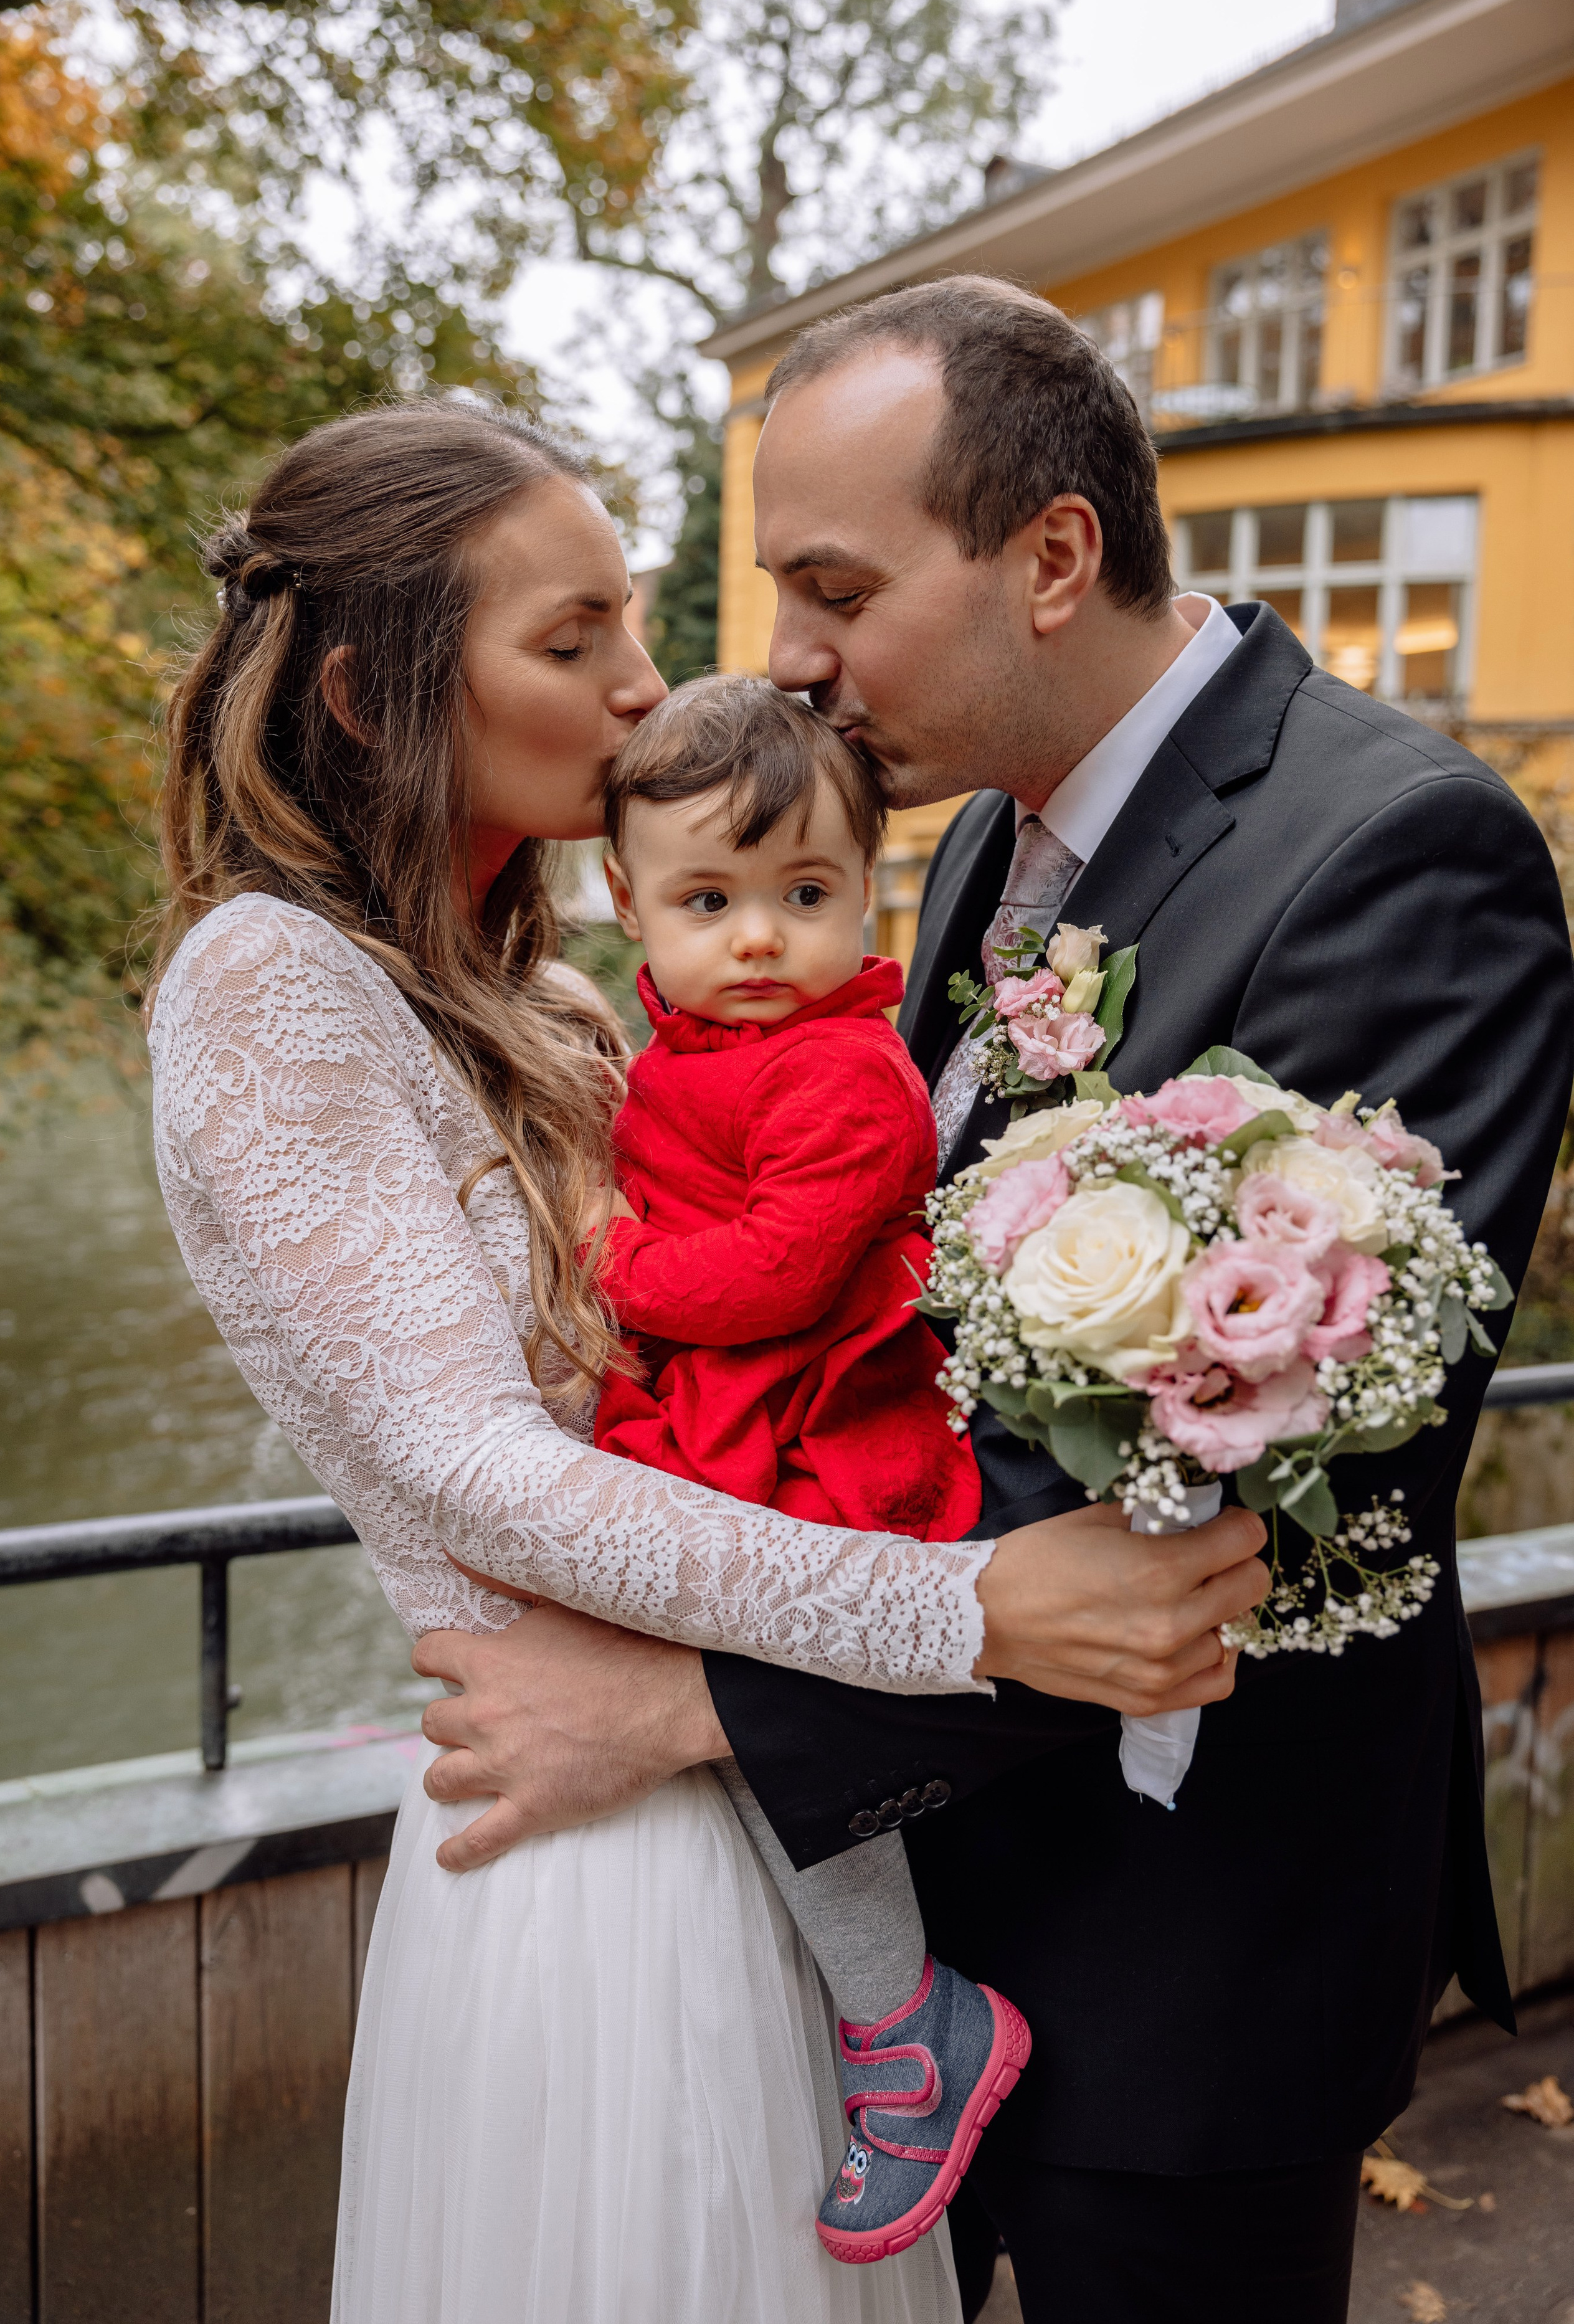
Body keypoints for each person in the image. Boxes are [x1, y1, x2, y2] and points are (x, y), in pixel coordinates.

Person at [413, 280, 1574, 2324]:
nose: (783, 655)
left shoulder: (1398, 848)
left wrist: (693, 1709)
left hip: (1192, 1938)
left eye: (834, 585)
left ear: (1052, 553)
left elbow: (1294, 1488)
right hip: (926, 1899)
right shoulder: (961, 855)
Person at [144, 392, 1266, 2324]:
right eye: (572, 640)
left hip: (744, 1783)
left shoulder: (564, 992)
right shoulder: (268, 981)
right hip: (585, 1842)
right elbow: (479, 1468)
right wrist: (968, 1601)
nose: (651, 681)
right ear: (365, 691)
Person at [596, 674, 1021, 2262]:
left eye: (804, 895)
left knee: (782, 1735)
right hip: (724, 1415)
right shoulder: (683, 1048)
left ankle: (914, 2022)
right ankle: (864, 2015)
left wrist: (613, 1273)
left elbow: (777, 1272)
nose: (758, 938)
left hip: (816, 1428)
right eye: (709, 900)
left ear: (867, 895)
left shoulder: (842, 1070)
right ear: (628, 902)